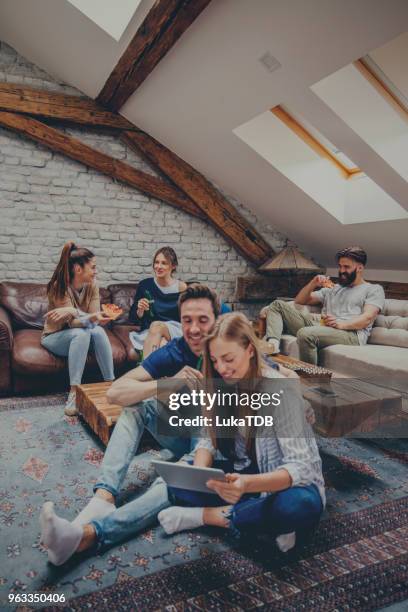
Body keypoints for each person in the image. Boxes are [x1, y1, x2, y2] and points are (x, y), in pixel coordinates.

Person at [38, 289, 303, 565]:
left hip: (219, 446)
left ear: (217, 319)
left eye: (203, 320)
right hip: (184, 435)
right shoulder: (176, 350)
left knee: (174, 472)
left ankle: (89, 535)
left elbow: (287, 377)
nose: (194, 329)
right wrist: (167, 384)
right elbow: (116, 392)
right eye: (187, 320)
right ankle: (104, 497)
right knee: (136, 407)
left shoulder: (231, 351)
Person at [157, 312, 325, 551]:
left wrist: (246, 484)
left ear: (249, 350)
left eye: (228, 358)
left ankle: (210, 516)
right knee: (178, 485)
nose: (221, 368)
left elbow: (301, 468)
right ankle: (256, 518)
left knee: (299, 506)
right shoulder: (220, 386)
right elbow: (207, 440)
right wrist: (200, 475)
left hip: (288, 484)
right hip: (246, 473)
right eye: (214, 360)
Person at [261, 246, 385, 365]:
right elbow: (300, 301)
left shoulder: (373, 289)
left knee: (306, 334)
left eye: (346, 267)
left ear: (360, 268)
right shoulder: (334, 288)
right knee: (277, 305)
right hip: (323, 327)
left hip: (352, 334)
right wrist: (313, 283)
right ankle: (272, 345)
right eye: (340, 266)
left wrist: (341, 324)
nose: (342, 271)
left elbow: (367, 318)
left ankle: (310, 380)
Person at [41, 242, 114, 415]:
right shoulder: (58, 286)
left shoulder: (93, 285)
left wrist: (76, 312)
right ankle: (74, 391)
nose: (96, 271)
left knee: (98, 330)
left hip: (83, 334)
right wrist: (76, 312)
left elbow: (94, 318)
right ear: (78, 269)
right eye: (93, 267)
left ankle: (111, 385)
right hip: (55, 337)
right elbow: (73, 324)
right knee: (81, 334)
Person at [128, 246, 188, 358]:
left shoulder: (182, 288)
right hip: (151, 331)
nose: (158, 266)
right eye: (156, 262)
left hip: (174, 330)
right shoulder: (145, 285)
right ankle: (156, 373)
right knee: (161, 343)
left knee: (163, 341)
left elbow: (186, 316)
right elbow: (132, 319)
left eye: (164, 263)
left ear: (173, 266)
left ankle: (146, 372)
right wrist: (140, 310)